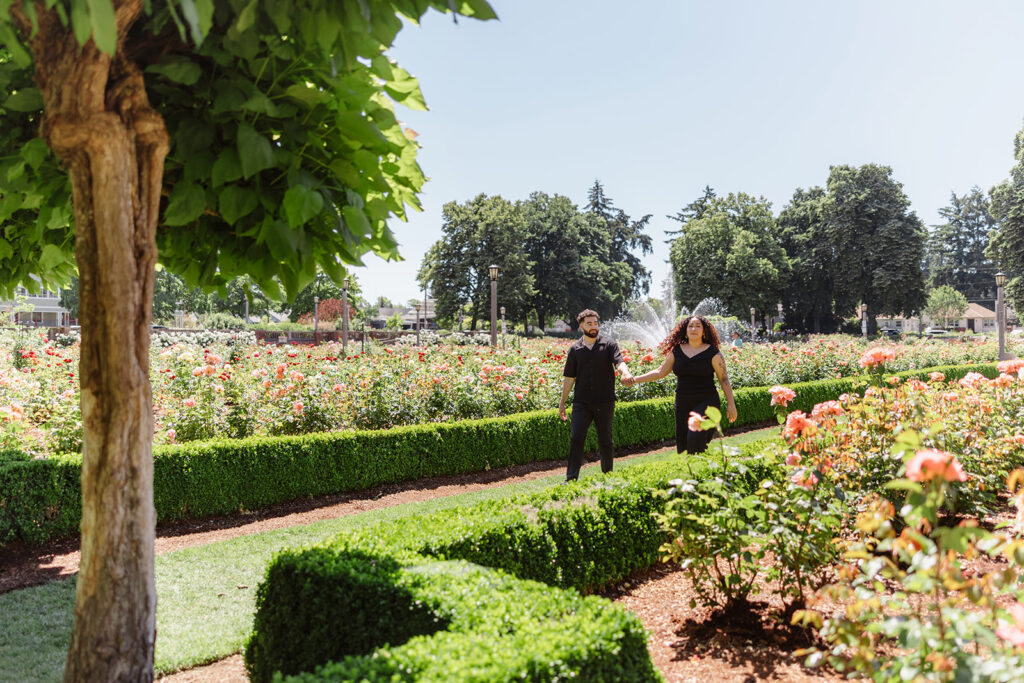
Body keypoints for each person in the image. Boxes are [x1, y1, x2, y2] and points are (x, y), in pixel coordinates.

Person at [625, 315, 737, 454]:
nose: (693, 329)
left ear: (704, 331)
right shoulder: (677, 351)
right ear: (685, 330)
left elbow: (724, 379)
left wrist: (731, 404)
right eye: (690, 326)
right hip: (683, 403)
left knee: (694, 438)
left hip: (707, 402)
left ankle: (701, 472)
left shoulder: (713, 353)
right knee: (684, 447)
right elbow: (660, 372)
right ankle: (698, 473)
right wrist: (635, 379)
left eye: (697, 326)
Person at [558, 309, 634, 481]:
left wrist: (625, 373)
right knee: (576, 438)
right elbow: (569, 378)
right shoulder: (575, 349)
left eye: (595, 323)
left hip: (604, 401)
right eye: (589, 323)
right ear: (581, 326)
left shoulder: (608, 344)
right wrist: (562, 402)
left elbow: (619, 362)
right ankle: (571, 479)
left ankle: (607, 476)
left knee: (605, 440)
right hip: (581, 403)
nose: (593, 326)